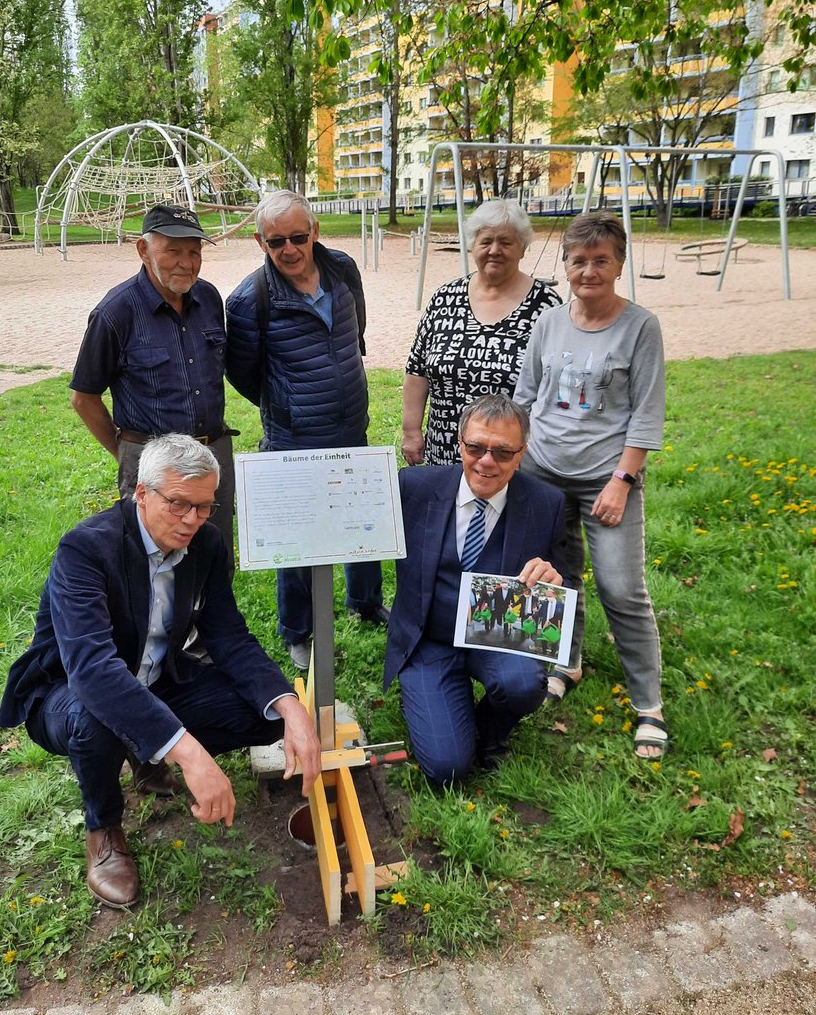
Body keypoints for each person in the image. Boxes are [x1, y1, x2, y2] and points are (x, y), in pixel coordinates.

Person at [0, 434, 321, 909]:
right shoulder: (86, 549)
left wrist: (290, 706)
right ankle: (104, 829)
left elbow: (229, 637)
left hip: (157, 677)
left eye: (205, 506)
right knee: (96, 719)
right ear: (141, 494)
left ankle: (147, 749)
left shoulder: (206, 544)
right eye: (179, 504)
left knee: (265, 712)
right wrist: (190, 754)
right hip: (65, 690)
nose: (192, 519)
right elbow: (92, 670)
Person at [514, 213, 668, 759]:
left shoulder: (640, 327)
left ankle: (648, 704)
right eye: (578, 261)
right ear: (566, 266)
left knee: (622, 589)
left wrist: (623, 480)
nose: (588, 271)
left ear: (619, 264)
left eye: (601, 260)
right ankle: (566, 663)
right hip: (543, 472)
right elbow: (525, 396)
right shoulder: (549, 322)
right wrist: (515, 459)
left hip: (607, 476)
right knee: (557, 578)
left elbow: (646, 414)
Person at [225, 191, 387, 670]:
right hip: (293, 437)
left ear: (315, 230)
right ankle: (298, 629)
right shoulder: (249, 299)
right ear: (260, 242)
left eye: (298, 237)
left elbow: (356, 329)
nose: (290, 249)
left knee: (361, 519)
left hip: (351, 424)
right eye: (276, 242)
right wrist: (289, 407)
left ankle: (365, 602)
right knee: (297, 539)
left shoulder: (343, 270)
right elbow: (243, 372)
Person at [385, 394, 568, 785]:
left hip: (497, 635)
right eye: (476, 448)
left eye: (503, 452)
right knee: (446, 769)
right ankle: (440, 709)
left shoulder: (546, 503)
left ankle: (490, 730)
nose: (487, 461)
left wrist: (553, 576)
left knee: (523, 685)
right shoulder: (413, 486)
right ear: (459, 443)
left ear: (522, 453)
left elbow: (560, 578)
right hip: (429, 639)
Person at [69, 203, 236, 576]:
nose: (186, 263)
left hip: (212, 456)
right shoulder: (115, 312)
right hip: (153, 462)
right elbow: (83, 397)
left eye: (194, 252)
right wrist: (128, 453)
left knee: (215, 561)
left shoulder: (209, 299)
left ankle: (211, 616)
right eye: (173, 251)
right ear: (143, 250)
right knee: (153, 567)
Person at [402, 198, 560, 467]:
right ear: (472, 245)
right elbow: (417, 372)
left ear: (522, 248)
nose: (494, 250)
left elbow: (555, 387)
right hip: (445, 453)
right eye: (486, 241)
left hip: (507, 459)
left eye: (506, 242)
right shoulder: (445, 298)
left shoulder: (546, 306)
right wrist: (411, 431)